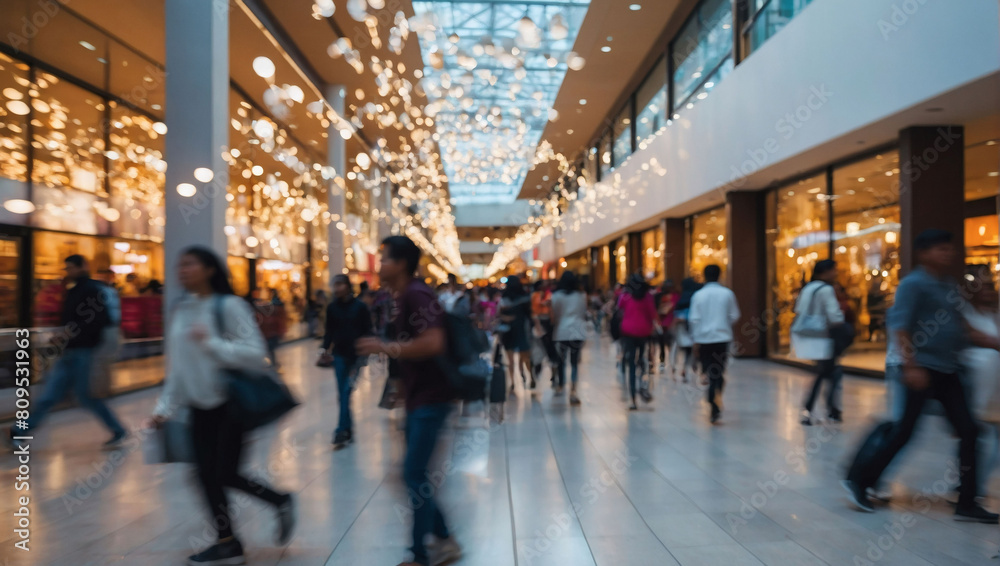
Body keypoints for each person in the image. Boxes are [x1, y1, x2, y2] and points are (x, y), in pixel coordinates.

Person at [149, 247, 295, 564]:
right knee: (205, 475)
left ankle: (278, 502)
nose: (182, 270)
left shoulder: (228, 306)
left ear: (209, 269)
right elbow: (179, 364)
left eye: (190, 264)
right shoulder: (181, 309)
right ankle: (228, 541)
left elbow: (256, 354)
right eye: (180, 265)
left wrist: (211, 343)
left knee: (223, 473)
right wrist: (164, 406)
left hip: (230, 404)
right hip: (199, 406)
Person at [843, 230, 998, 522]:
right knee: (905, 431)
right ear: (924, 253)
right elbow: (900, 326)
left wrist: (993, 342)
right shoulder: (913, 284)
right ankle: (860, 481)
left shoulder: (948, 286)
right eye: (941, 249)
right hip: (922, 369)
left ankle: (966, 502)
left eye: (949, 249)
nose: (948, 254)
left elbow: (962, 327)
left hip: (948, 369)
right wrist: (911, 366)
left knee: (969, 430)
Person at [356, 236, 462, 566]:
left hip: (433, 398)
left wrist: (383, 346)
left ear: (401, 263)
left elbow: (432, 343)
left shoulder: (416, 294)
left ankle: (419, 555)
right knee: (414, 475)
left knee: (414, 475)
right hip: (420, 398)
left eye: (384, 259)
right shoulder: (399, 297)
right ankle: (444, 540)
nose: (379, 265)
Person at [10, 256, 127, 449]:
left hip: (85, 352)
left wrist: (71, 331)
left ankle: (118, 429)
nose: (69, 271)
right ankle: (19, 431)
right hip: (69, 351)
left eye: (72, 268)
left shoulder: (92, 290)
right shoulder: (73, 290)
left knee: (84, 396)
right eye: (67, 268)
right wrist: (63, 334)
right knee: (50, 396)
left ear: (83, 267)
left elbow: (99, 322)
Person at [793, 260, 848, 425]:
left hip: (808, 336)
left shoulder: (807, 288)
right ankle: (815, 409)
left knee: (827, 371)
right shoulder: (826, 290)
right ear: (825, 272)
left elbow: (798, 310)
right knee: (826, 372)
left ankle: (829, 409)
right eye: (833, 270)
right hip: (823, 337)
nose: (836, 273)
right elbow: (834, 316)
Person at [322, 274, 373, 447]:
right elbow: (329, 331)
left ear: (347, 286)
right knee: (342, 394)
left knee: (345, 392)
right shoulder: (332, 308)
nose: (336, 288)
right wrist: (324, 349)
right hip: (339, 356)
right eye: (334, 285)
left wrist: (367, 352)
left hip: (356, 358)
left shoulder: (360, 307)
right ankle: (347, 430)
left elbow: (368, 330)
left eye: (339, 284)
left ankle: (341, 430)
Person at [689, 264, 741, 424]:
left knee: (709, 370)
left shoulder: (698, 295)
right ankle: (714, 400)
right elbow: (735, 315)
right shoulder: (727, 294)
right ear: (719, 275)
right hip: (722, 337)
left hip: (704, 339)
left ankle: (712, 400)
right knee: (718, 371)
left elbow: (693, 319)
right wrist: (724, 324)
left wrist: (696, 338)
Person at [618, 273, 658, 410]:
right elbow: (652, 314)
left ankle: (633, 400)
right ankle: (642, 382)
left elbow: (619, 309)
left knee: (631, 364)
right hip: (644, 332)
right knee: (642, 359)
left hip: (628, 332)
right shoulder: (648, 297)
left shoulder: (625, 296)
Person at [551, 271, 587, 404]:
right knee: (574, 362)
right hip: (577, 331)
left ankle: (561, 385)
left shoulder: (556, 296)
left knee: (561, 361)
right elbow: (584, 312)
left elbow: (555, 314)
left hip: (562, 331)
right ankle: (573, 390)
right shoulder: (581, 296)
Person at [500, 277, 534, 394]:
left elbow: (500, 314)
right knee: (525, 356)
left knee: (510, 360)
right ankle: (530, 377)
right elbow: (529, 313)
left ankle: (513, 382)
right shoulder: (524, 296)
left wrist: (506, 318)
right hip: (522, 329)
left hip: (508, 330)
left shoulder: (505, 297)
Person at [92, 269, 123, 397]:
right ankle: (105, 389)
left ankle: (102, 389)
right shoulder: (110, 291)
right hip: (110, 327)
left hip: (107, 328)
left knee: (101, 360)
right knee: (104, 361)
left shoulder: (104, 291)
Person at [670, 278, 701, 382]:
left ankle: (675, 368)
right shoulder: (696, 297)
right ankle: (685, 369)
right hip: (692, 327)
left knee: (677, 348)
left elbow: (676, 313)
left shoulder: (682, 297)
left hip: (681, 327)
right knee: (689, 351)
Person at [655, 280, 678, 375]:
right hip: (666, 324)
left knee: (666, 345)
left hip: (666, 324)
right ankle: (669, 364)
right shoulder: (673, 297)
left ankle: (667, 363)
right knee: (667, 346)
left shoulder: (672, 297)